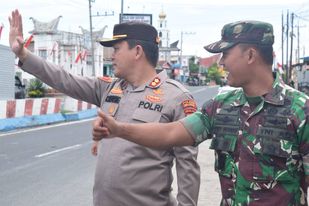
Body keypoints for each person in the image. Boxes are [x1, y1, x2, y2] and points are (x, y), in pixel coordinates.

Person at [93, 20, 309, 206]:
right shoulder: (221, 106)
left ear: (250, 55)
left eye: (225, 53)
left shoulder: (300, 111)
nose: (221, 62)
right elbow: (171, 134)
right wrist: (120, 129)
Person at [9, 9, 200, 206]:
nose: (112, 55)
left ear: (137, 52)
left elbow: (188, 168)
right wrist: (23, 54)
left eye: (117, 49)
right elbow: (64, 79)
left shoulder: (176, 98)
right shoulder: (109, 88)